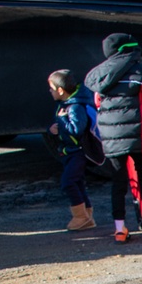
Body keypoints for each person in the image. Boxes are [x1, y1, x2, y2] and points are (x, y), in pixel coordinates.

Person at [84, 33, 142, 244]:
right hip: (137, 135)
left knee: (118, 182)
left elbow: (97, 103)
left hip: (112, 138)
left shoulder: (100, 75)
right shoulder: (138, 71)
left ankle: (120, 229)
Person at [47, 70, 97, 231]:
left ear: (61, 90)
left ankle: (80, 216)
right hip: (70, 151)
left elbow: (76, 130)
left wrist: (62, 120)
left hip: (78, 152)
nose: (50, 91)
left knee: (68, 183)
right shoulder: (67, 104)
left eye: (52, 88)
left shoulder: (75, 106)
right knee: (78, 183)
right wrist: (55, 129)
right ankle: (87, 216)